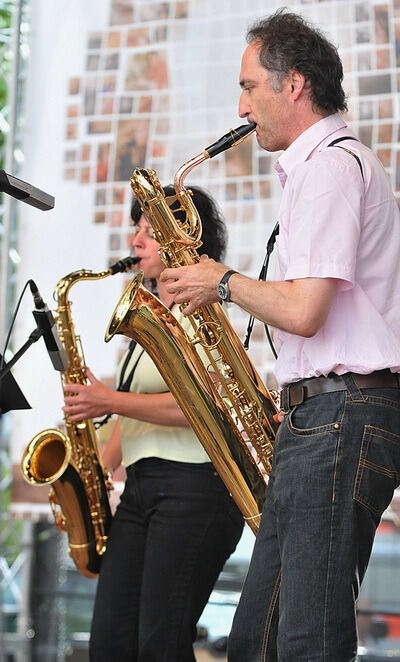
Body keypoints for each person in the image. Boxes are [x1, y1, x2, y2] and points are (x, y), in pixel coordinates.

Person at [160, 9, 400, 662]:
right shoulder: (317, 170)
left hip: (339, 412)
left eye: (248, 87)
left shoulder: (328, 169)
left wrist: (222, 282)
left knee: (305, 638)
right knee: (256, 643)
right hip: (321, 411)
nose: (240, 106)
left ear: (293, 84)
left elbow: (305, 311)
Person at [63, 185, 244, 662]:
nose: (136, 241)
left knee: (159, 648)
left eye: (149, 232)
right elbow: (134, 414)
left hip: (193, 489)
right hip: (142, 489)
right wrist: (93, 475)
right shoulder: (146, 315)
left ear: (183, 239)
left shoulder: (201, 312)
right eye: (136, 229)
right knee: (109, 646)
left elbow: (196, 407)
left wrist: (107, 399)